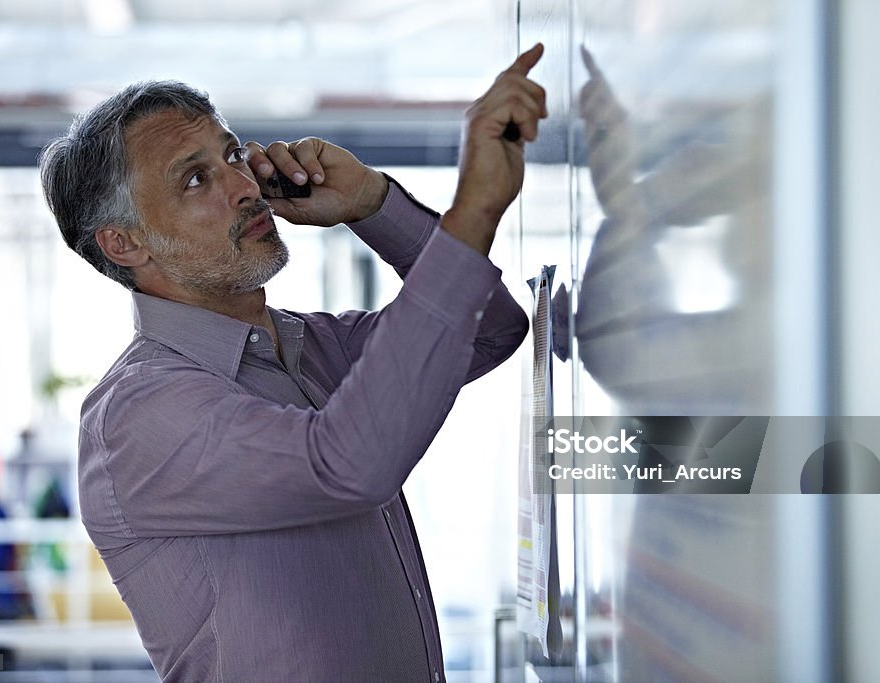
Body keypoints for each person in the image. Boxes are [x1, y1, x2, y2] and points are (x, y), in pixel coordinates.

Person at [39, 44, 547, 682]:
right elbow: (346, 466)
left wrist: (373, 204)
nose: (244, 187)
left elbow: (492, 330)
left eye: (232, 156)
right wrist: (473, 209)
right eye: (196, 179)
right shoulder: (138, 414)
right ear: (125, 242)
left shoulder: (312, 348)